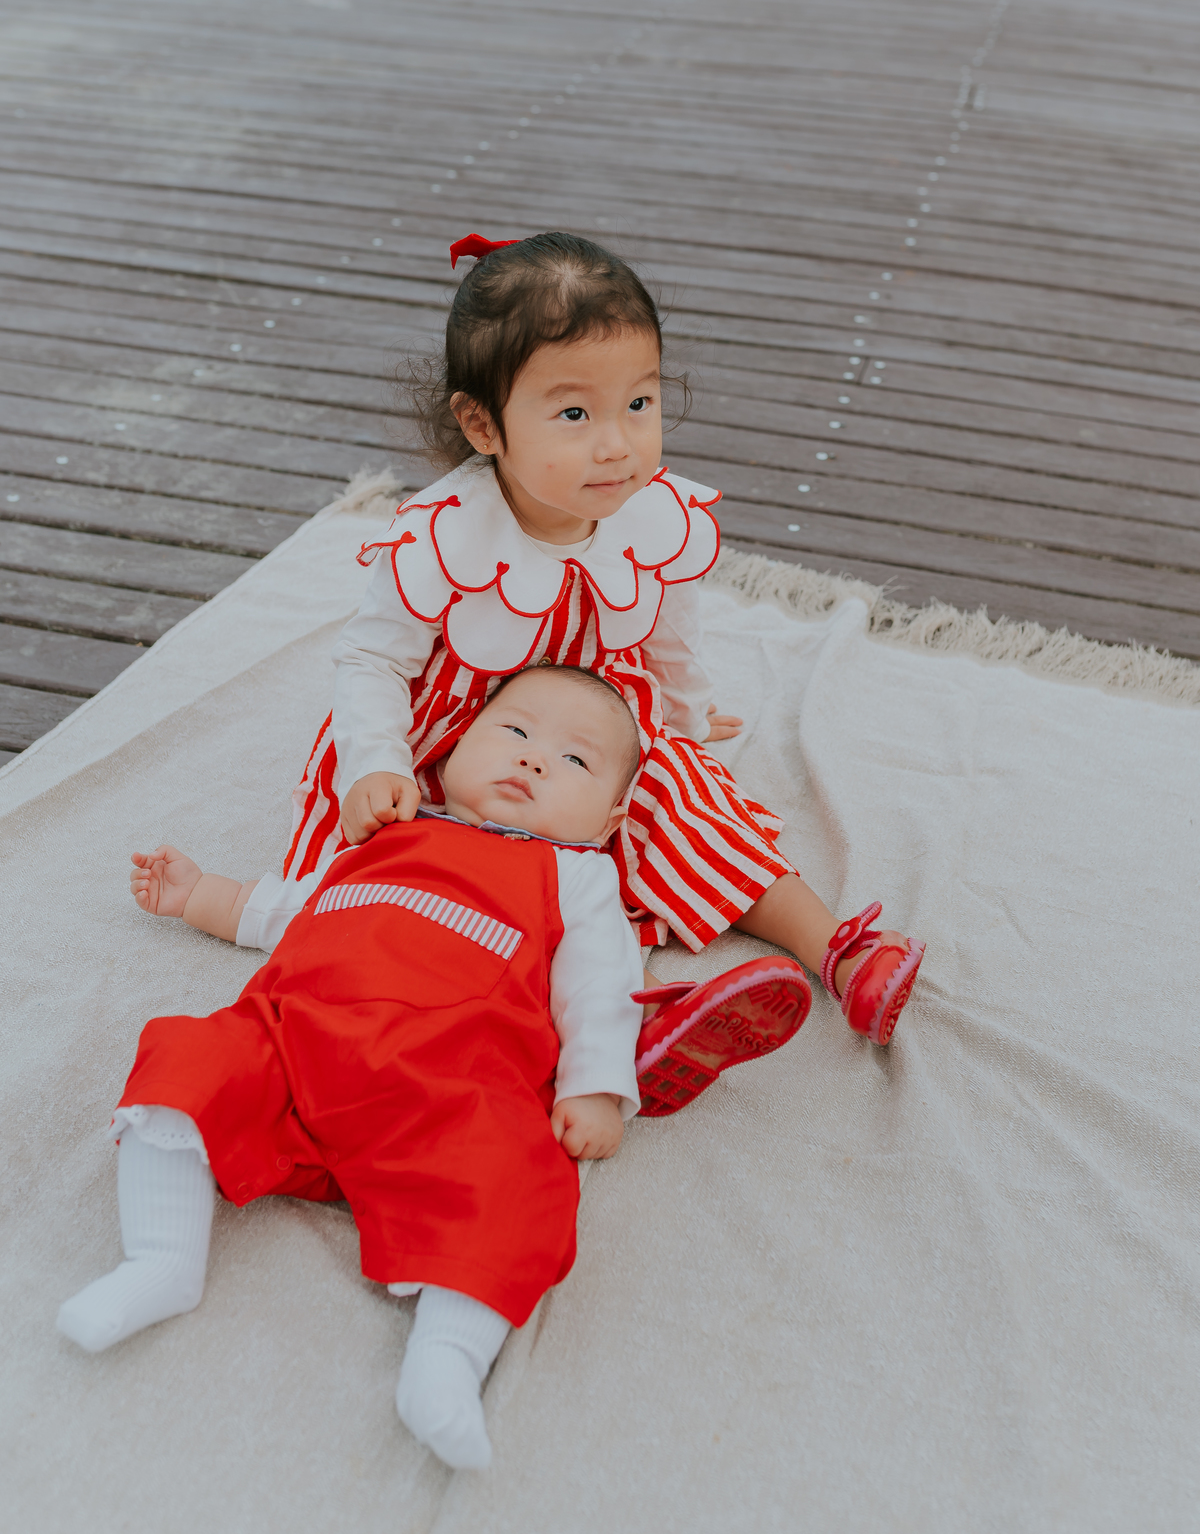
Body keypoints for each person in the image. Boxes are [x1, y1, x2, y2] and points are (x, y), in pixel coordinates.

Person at [56, 664, 812, 1471]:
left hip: (451, 1086)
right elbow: (285, 908)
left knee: (519, 1176)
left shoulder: (579, 875)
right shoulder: (392, 833)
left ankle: (446, 1360)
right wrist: (199, 893)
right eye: (514, 733)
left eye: (574, 762)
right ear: (449, 755)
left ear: (611, 819)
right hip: (296, 1041)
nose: (531, 762)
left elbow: (596, 984)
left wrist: (596, 1090)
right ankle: (161, 1259)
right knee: (187, 1058)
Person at [286, 231, 924, 1083]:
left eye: (640, 405)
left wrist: (686, 726)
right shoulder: (442, 538)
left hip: (592, 719)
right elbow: (372, 659)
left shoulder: (650, 517)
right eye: (575, 414)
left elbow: (668, 636)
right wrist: (375, 760)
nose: (618, 445)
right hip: (461, 726)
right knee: (408, 872)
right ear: (483, 423)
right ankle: (559, 1025)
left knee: (685, 810)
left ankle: (838, 952)